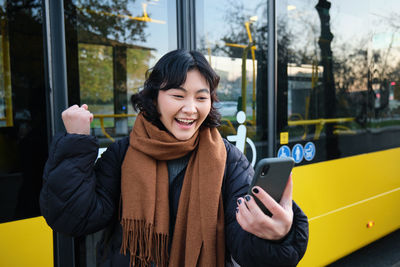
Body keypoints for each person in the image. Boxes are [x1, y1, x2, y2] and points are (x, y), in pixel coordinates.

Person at [40, 49, 308, 267]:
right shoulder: (123, 153)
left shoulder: (228, 159)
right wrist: (75, 142)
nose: (190, 109)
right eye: (178, 95)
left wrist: (278, 236)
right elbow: (75, 218)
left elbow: (245, 246)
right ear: (155, 98)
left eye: (201, 98)